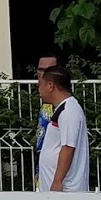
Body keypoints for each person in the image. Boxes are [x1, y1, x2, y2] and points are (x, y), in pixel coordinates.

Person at [37, 67, 89, 192]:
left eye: (40, 85)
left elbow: (68, 147)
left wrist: (57, 181)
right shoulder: (63, 109)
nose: (39, 89)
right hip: (56, 186)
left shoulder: (68, 111)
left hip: (66, 189)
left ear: (50, 85)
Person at [33, 54, 59, 190]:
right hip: (43, 169)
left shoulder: (62, 105)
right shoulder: (45, 103)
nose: (43, 74)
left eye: (49, 70)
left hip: (56, 173)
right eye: (41, 70)